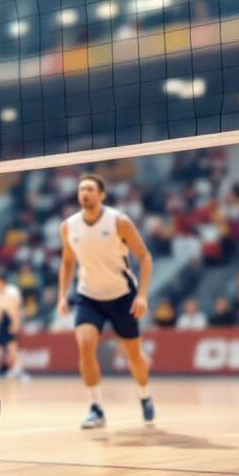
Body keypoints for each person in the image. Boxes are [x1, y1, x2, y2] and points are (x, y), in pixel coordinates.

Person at [58, 173, 155, 429]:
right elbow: (67, 262)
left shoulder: (119, 222)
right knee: (85, 344)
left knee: (134, 356)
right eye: (82, 189)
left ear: (101, 194)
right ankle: (96, 407)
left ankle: (144, 393)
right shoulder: (68, 226)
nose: (85, 193)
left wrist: (142, 295)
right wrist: (62, 295)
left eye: (90, 189)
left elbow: (145, 257)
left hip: (122, 295)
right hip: (88, 295)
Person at [0, 276, 26, 378]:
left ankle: (17, 368)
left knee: (12, 346)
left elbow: (17, 308)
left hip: (11, 319)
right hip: (0, 321)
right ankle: (1, 368)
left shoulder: (13, 292)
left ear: (3, 282)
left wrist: (15, 324)